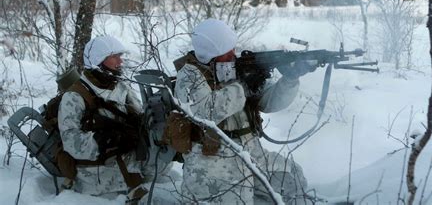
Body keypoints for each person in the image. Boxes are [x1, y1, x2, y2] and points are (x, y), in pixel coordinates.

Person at [174, 19, 315, 204]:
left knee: (291, 178)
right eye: (226, 51)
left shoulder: (235, 68)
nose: (233, 55)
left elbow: (269, 103)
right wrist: (243, 87)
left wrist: (289, 79)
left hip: (251, 152)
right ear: (211, 54)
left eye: (233, 49)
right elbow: (204, 113)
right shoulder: (189, 76)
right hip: (211, 162)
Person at [58, 36, 169, 203]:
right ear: (99, 60)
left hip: (129, 161)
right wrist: (107, 140)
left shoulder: (120, 85)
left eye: (120, 56)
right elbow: (70, 141)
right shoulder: (74, 96)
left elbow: (139, 115)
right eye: (114, 57)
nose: (120, 61)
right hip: (98, 178)